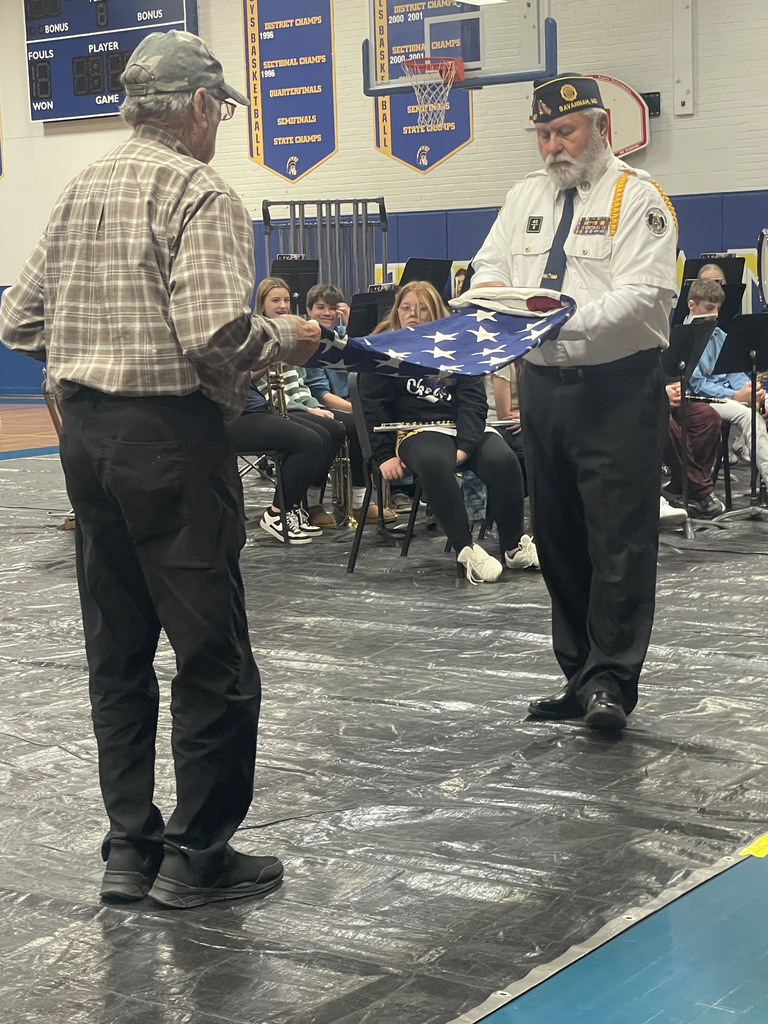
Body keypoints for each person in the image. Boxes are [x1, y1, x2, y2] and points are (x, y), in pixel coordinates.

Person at [0, 30, 322, 907]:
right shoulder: (199, 190)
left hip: (89, 443)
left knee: (118, 650)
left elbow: (19, 321)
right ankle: (197, 857)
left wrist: (85, 355)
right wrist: (288, 338)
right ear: (198, 107)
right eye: (219, 109)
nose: (218, 125)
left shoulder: (78, 188)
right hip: (172, 441)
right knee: (211, 651)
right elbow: (214, 331)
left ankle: (129, 851)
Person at [472, 73, 677, 731]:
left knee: (618, 540)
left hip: (617, 392)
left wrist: (554, 319)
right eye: (544, 134)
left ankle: (612, 681)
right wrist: (504, 307)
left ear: (602, 128)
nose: (554, 145)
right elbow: (487, 273)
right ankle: (579, 675)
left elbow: (642, 297)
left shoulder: (639, 199)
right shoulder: (523, 196)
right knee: (558, 539)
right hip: (542, 390)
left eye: (565, 130)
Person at [360, 281, 537, 583]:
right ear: (397, 311)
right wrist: (383, 455)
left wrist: (465, 446)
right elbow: (373, 406)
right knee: (433, 461)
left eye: (422, 308)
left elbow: (473, 399)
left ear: (436, 311)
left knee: (503, 460)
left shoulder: (458, 344)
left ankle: (513, 546)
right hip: (413, 429)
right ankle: (466, 550)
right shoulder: (384, 345)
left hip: (460, 427)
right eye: (406, 308)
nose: (413, 314)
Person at [251, 277, 347, 533]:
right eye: (275, 300)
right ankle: (286, 507)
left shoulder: (293, 329)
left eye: (286, 300)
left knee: (335, 428)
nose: (283, 305)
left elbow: (299, 383)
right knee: (315, 437)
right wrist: (306, 409)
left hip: (296, 403)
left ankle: (305, 504)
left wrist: (311, 404)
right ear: (262, 304)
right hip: (272, 407)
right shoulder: (257, 334)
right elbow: (263, 390)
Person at [301, 283, 397, 523]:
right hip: (326, 405)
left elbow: (365, 355)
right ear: (309, 310)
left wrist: (352, 323)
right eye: (320, 307)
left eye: (332, 308)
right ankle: (320, 504)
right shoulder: (308, 342)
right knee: (354, 425)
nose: (327, 313)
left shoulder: (345, 336)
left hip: (352, 402)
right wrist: (356, 408)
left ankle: (374, 498)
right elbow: (321, 393)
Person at [686, 277, 768, 488]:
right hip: (703, 399)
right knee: (749, 416)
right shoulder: (683, 337)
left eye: (717, 309)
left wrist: (750, 390)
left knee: (764, 402)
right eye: (708, 307)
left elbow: (734, 372)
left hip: (728, 395)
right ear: (691, 305)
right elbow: (696, 385)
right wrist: (735, 396)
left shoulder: (720, 335)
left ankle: (743, 444)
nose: (714, 314)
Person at [662, 381, 725, 518]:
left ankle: (680, 487)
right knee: (663, 419)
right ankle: (701, 491)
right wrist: (661, 392)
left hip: (661, 395)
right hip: (634, 402)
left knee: (707, 417)